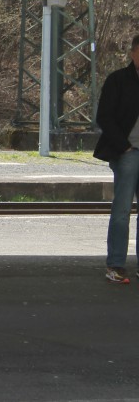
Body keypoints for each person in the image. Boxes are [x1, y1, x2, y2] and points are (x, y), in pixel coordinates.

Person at [94, 34, 139, 284]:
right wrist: (124, 147)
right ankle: (116, 264)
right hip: (128, 153)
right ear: (133, 53)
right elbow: (105, 117)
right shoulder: (118, 81)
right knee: (122, 210)